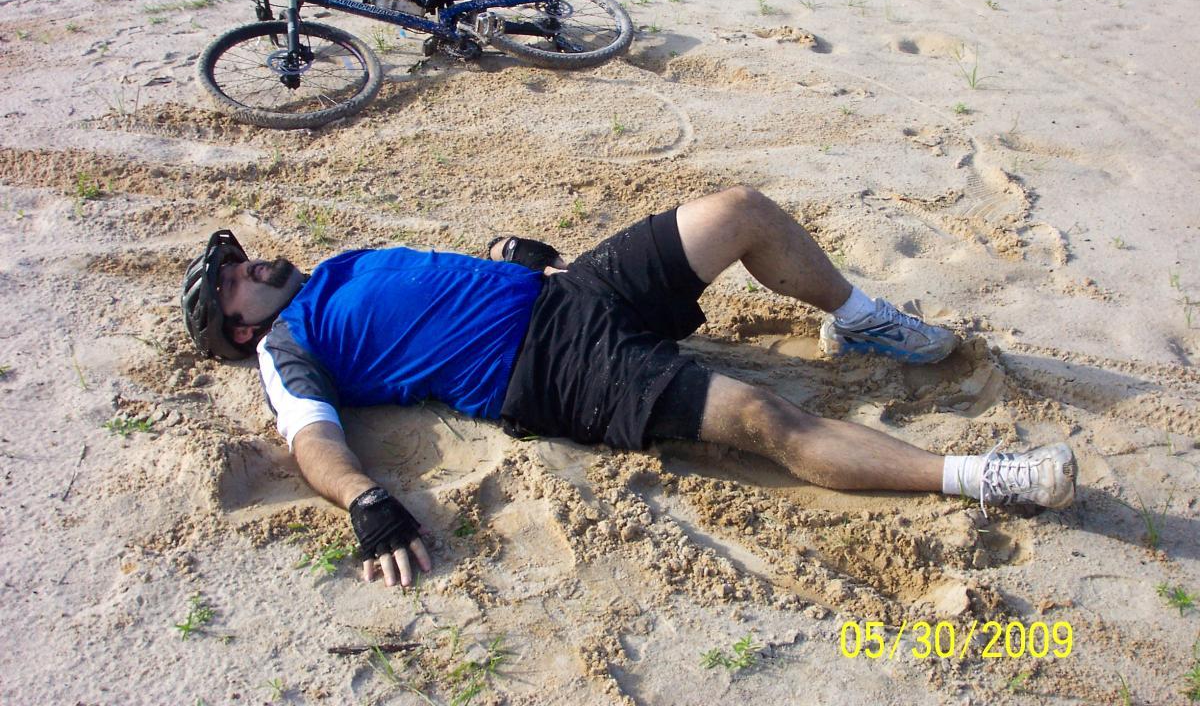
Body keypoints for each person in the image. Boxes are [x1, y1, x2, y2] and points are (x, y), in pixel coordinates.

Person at [181, 187, 1076, 589]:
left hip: (569, 292)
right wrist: (364, 501)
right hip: (551, 372)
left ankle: (860, 314)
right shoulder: (285, 349)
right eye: (231, 282)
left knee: (739, 211)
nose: (245, 264)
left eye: (233, 259)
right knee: (760, 414)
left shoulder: (333, 268)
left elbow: (425, 285)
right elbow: (310, 440)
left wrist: (501, 254)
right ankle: (981, 477)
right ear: (242, 330)